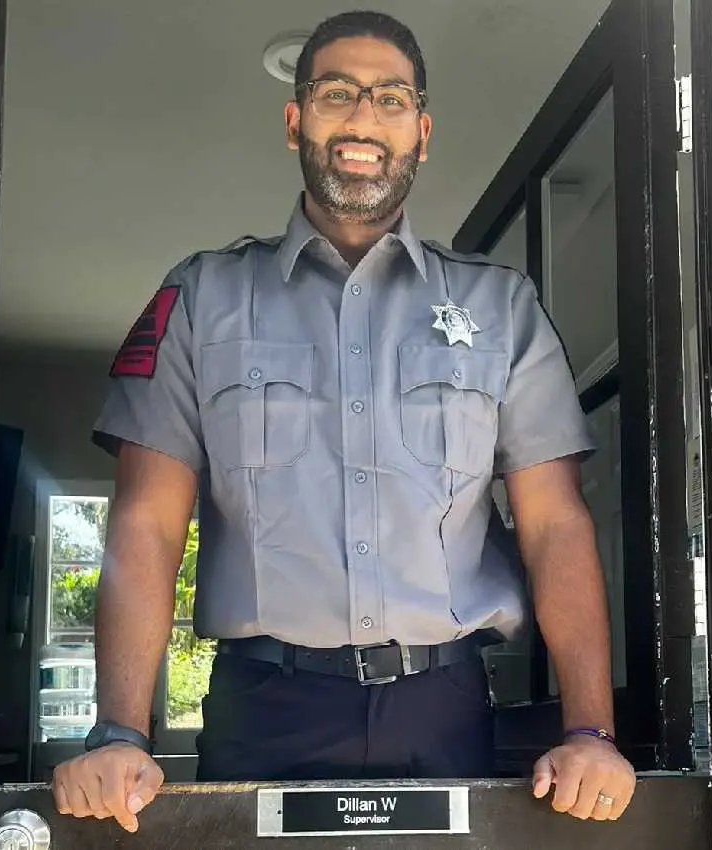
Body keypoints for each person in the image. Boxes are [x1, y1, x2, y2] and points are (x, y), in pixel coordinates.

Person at [51, 9, 636, 835]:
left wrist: (589, 732)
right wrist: (119, 731)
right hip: (264, 709)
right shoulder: (204, 298)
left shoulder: (500, 308)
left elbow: (556, 528)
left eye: (390, 99)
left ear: (422, 132)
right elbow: (147, 524)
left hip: (446, 708)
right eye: (337, 93)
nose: (364, 119)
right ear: (297, 119)